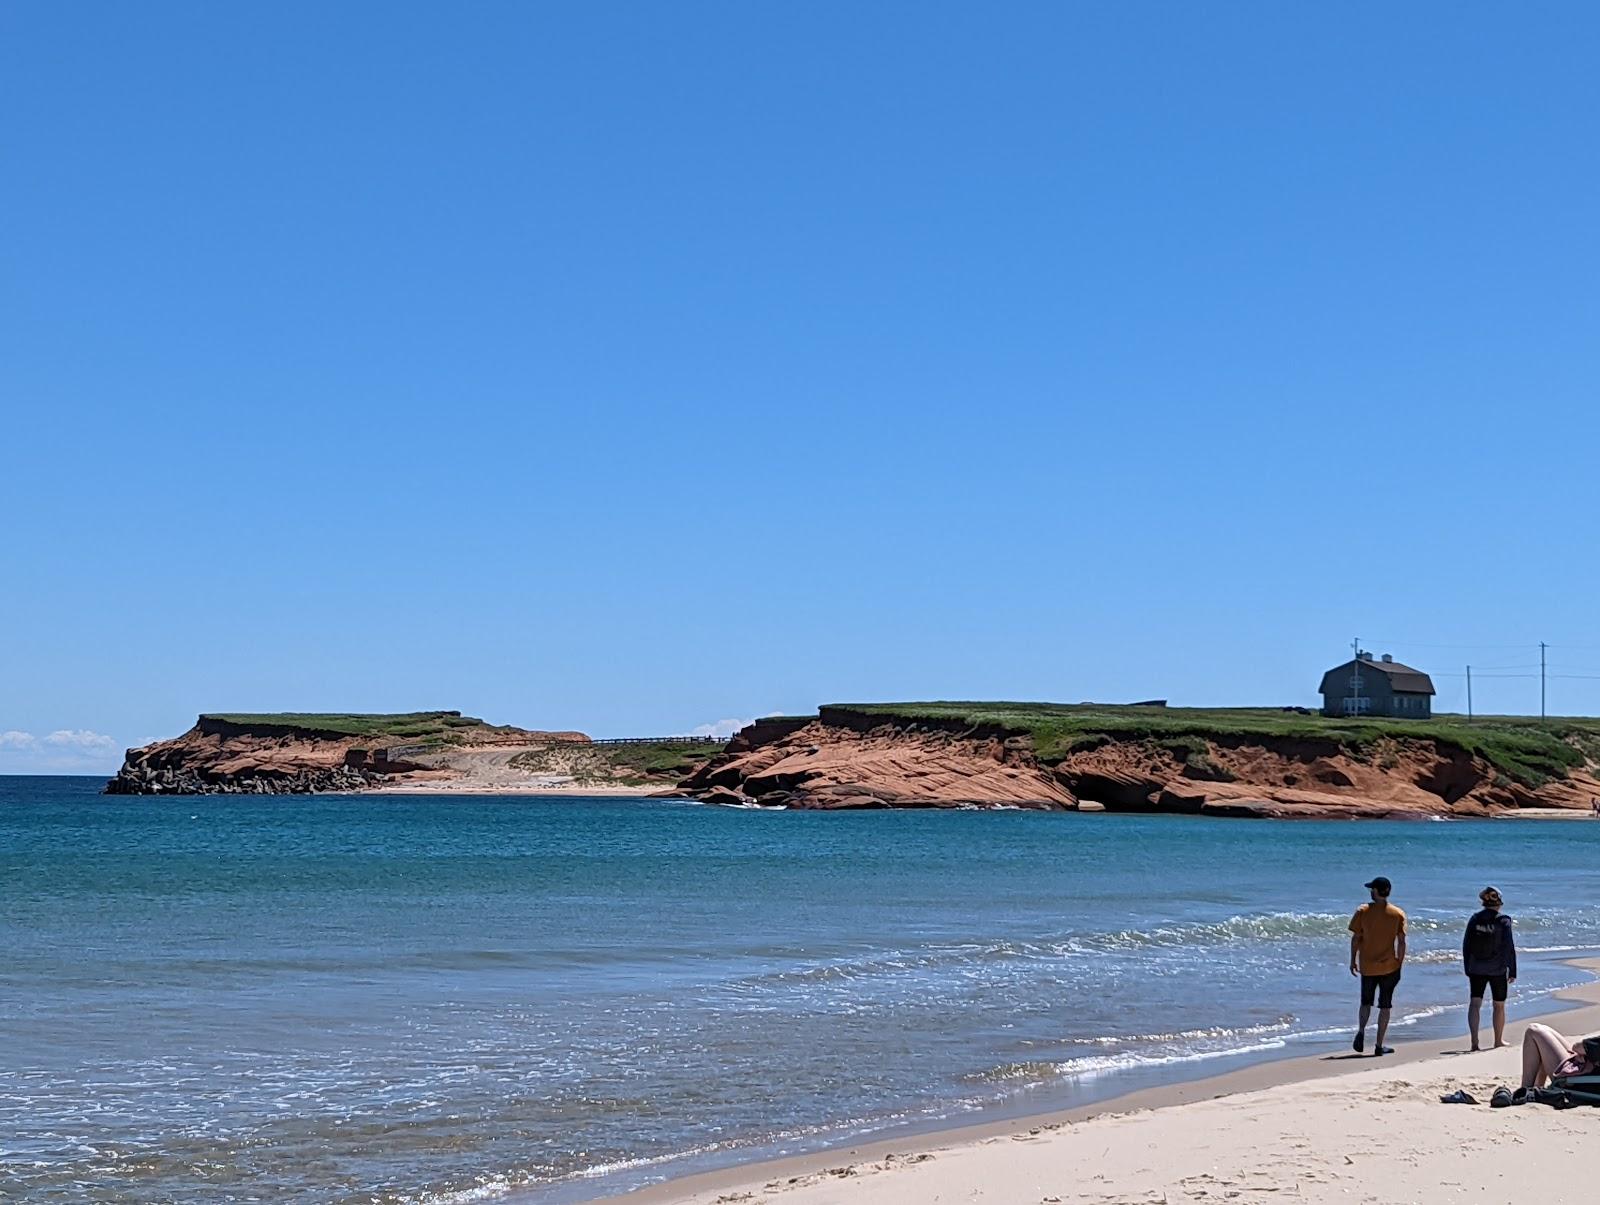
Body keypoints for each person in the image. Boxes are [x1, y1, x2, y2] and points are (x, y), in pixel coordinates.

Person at [1348, 875, 1406, 1055]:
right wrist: (1399, 961)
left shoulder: (1363, 911)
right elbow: (1402, 941)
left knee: (1366, 1003)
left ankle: (1361, 1030)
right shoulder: (1397, 913)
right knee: (1385, 1006)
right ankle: (1379, 1045)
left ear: (1375, 892)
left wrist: (1353, 960)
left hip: (1368, 966)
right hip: (1389, 966)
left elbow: (1356, 938)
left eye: (1371, 890)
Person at [1463, 886, 1516, 1051]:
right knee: (1499, 1005)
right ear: (1499, 903)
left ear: (1483, 902)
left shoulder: (1474, 919)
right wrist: (1512, 969)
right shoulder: (1503, 921)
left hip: (1476, 968)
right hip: (1497, 969)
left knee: (1475, 1003)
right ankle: (1498, 1040)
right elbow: (1509, 947)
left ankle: (1474, 1042)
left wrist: (1467, 967)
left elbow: (1466, 945)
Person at [1520, 1023, 1597, 1089]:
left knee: (1533, 1030)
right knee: (1545, 1029)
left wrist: (1584, 1054)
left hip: (1577, 1081)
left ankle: (1525, 1089)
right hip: (1591, 1075)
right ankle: (1537, 1088)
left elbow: (1577, 1047)